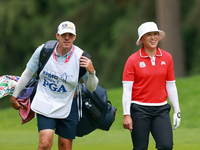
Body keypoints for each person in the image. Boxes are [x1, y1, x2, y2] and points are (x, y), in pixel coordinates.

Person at [10, 21, 99, 150]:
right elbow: (27, 73)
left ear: (75, 37)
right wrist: (14, 96)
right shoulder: (44, 50)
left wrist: (91, 72)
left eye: (70, 35)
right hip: (45, 100)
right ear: (57, 36)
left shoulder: (81, 57)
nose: (67, 38)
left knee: (65, 147)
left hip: (68, 104)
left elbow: (92, 87)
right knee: (45, 144)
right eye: (64, 35)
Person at [122, 22, 181, 150]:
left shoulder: (167, 57)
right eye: (149, 34)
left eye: (155, 34)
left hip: (161, 109)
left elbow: (170, 85)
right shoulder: (132, 60)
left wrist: (177, 110)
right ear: (142, 39)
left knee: (166, 146)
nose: (153, 37)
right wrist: (127, 114)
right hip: (139, 110)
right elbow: (127, 89)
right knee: (140, 148)